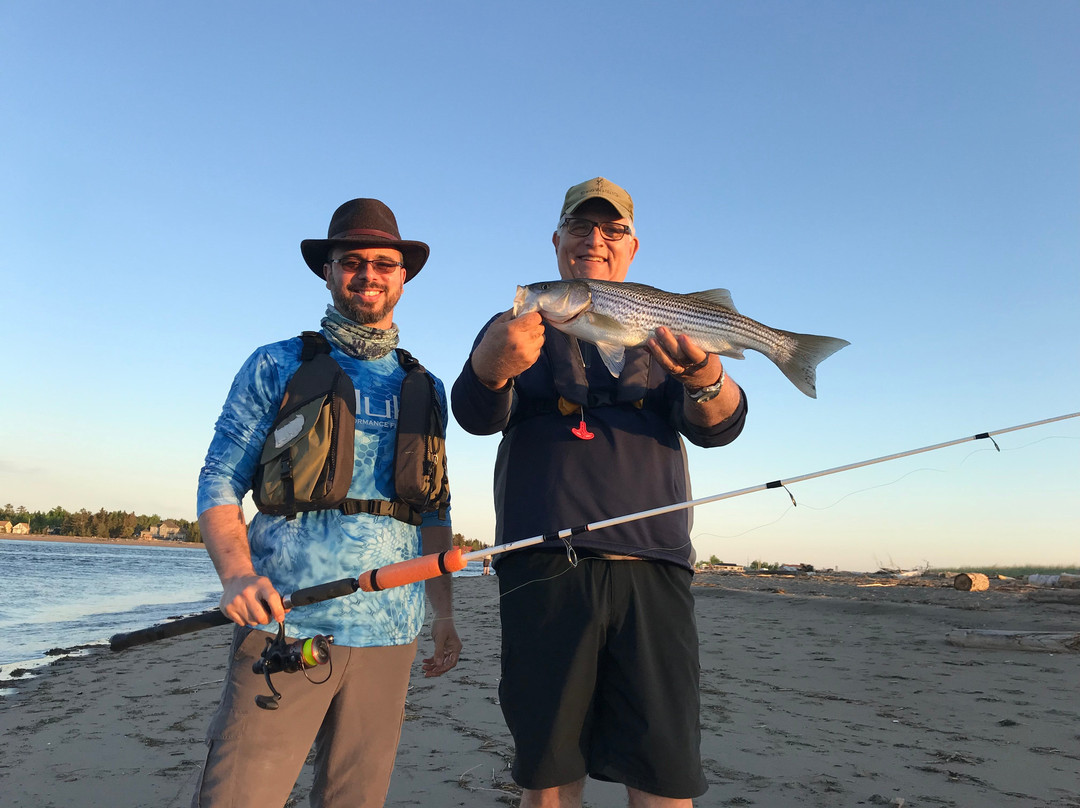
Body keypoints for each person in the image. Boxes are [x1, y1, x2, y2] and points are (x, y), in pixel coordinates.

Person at [451, 178, 748, 807]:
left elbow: (721, 426)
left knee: (663, 773)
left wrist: (707, 375)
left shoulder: (663, 325)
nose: (595, 240)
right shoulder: (514, 326)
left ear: (631, 247)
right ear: (557, 243)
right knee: (549, 774)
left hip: (655, 568)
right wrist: (492, 365)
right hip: (542, 567)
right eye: (580, 228)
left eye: (611, 230)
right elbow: (474, 415)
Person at [193, 198, 461, 808]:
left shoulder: (428, 386)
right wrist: (236, 575)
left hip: (393, 631)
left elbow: (435, 513)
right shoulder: (276, 363)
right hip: (285, 623)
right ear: (328, 271)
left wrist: (442, 614)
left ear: (403, 276)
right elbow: (218, 479)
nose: (368, 274)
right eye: (352, 260)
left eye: (384, 263)